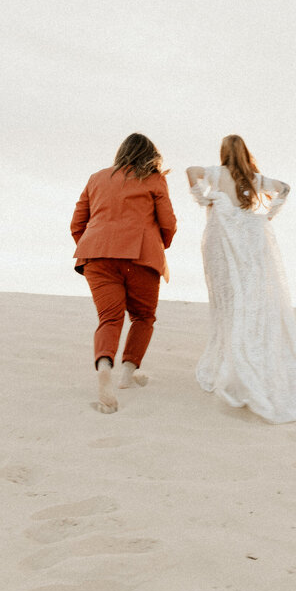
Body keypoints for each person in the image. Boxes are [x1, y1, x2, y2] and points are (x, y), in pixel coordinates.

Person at [186, 135, 296, 423]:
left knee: (228, 300)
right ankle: (250, 355)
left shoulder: (217, 173)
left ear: (224, 153)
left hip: (222, 245)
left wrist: (205, 196)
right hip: (249, 243)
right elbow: (285, 188)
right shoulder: (255, 179)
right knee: (249, 297)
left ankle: (233, 361)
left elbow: (191, 171)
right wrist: (268, 214)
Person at [71, 133, 177, 414]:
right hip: (140, 256)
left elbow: (77, 222)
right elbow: (168, 223)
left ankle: (105, 365)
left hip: (97, 255)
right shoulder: (154, 179)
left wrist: (96, 244)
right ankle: (128, 374)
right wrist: (156, 245)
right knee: (143, 316)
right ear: (151, 155)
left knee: (109, 318)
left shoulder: (97, 178)